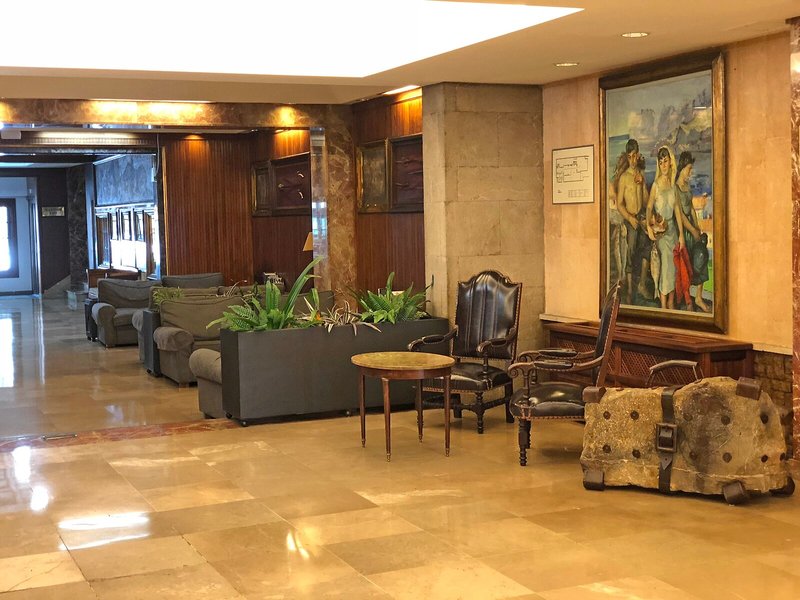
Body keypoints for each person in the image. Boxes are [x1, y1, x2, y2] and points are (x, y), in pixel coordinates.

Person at [646, 146, 685, 310]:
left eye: (666, 161)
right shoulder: (655, 185)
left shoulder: (673, 186)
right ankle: (663, 304)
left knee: (674, 266)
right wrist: (649, 227)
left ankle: (671, 301)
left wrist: (681, 234)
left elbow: (677, 211)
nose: (663, 165)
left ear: (670, 162)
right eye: (660, 162)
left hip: (672, 231)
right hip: (661, 232)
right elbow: (649, 207)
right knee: (666, 264)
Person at [613, 139, 650, 303]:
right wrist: (629, 218)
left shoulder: (640, 175)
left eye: (635, 156)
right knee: (630, 252)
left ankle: (642, 284)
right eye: (630, 157)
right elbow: (619, 204)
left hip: (641, 217)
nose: (633, 160)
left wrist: (642, 185)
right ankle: (628, 289)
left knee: (647, 247)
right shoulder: (624, 178)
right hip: (630, 218)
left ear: (638, 155)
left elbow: (646, 201)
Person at [674, 151, 710, 312]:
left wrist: (697, 227)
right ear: (682, 168)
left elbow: (692, 210)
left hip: (692, 228)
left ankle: (699, 298)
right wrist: (691, 230)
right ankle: (688, 300)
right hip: (682, 229)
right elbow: (681, 215)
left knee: (701, 257)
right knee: (687, 265)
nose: (690, 172)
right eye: (689, 168)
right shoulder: (675, 188)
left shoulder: (687, 186)